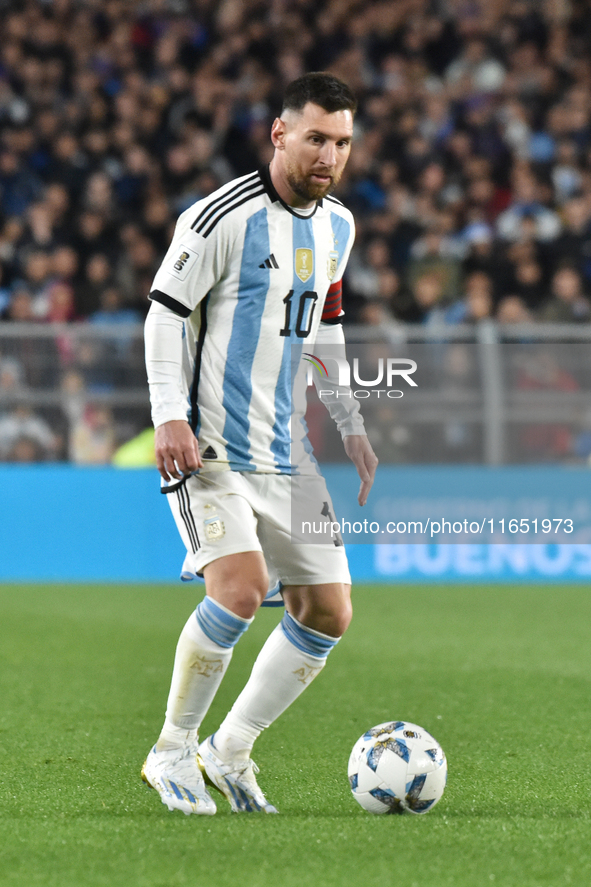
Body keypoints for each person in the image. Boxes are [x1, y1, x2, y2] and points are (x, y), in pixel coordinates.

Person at [142, 72, 378, 816]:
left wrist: (349, 421)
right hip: (208, 447)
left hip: (287, 454)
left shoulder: (337, 226)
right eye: (315, 138)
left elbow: (327, 328)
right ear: (279, 133)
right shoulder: (220, 218)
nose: (328, 155)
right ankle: (172, 749)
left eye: (340, 142)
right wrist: (167, 414)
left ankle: (230, 748)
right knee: (239, 590)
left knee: (328, 609)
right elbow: (163, 317)